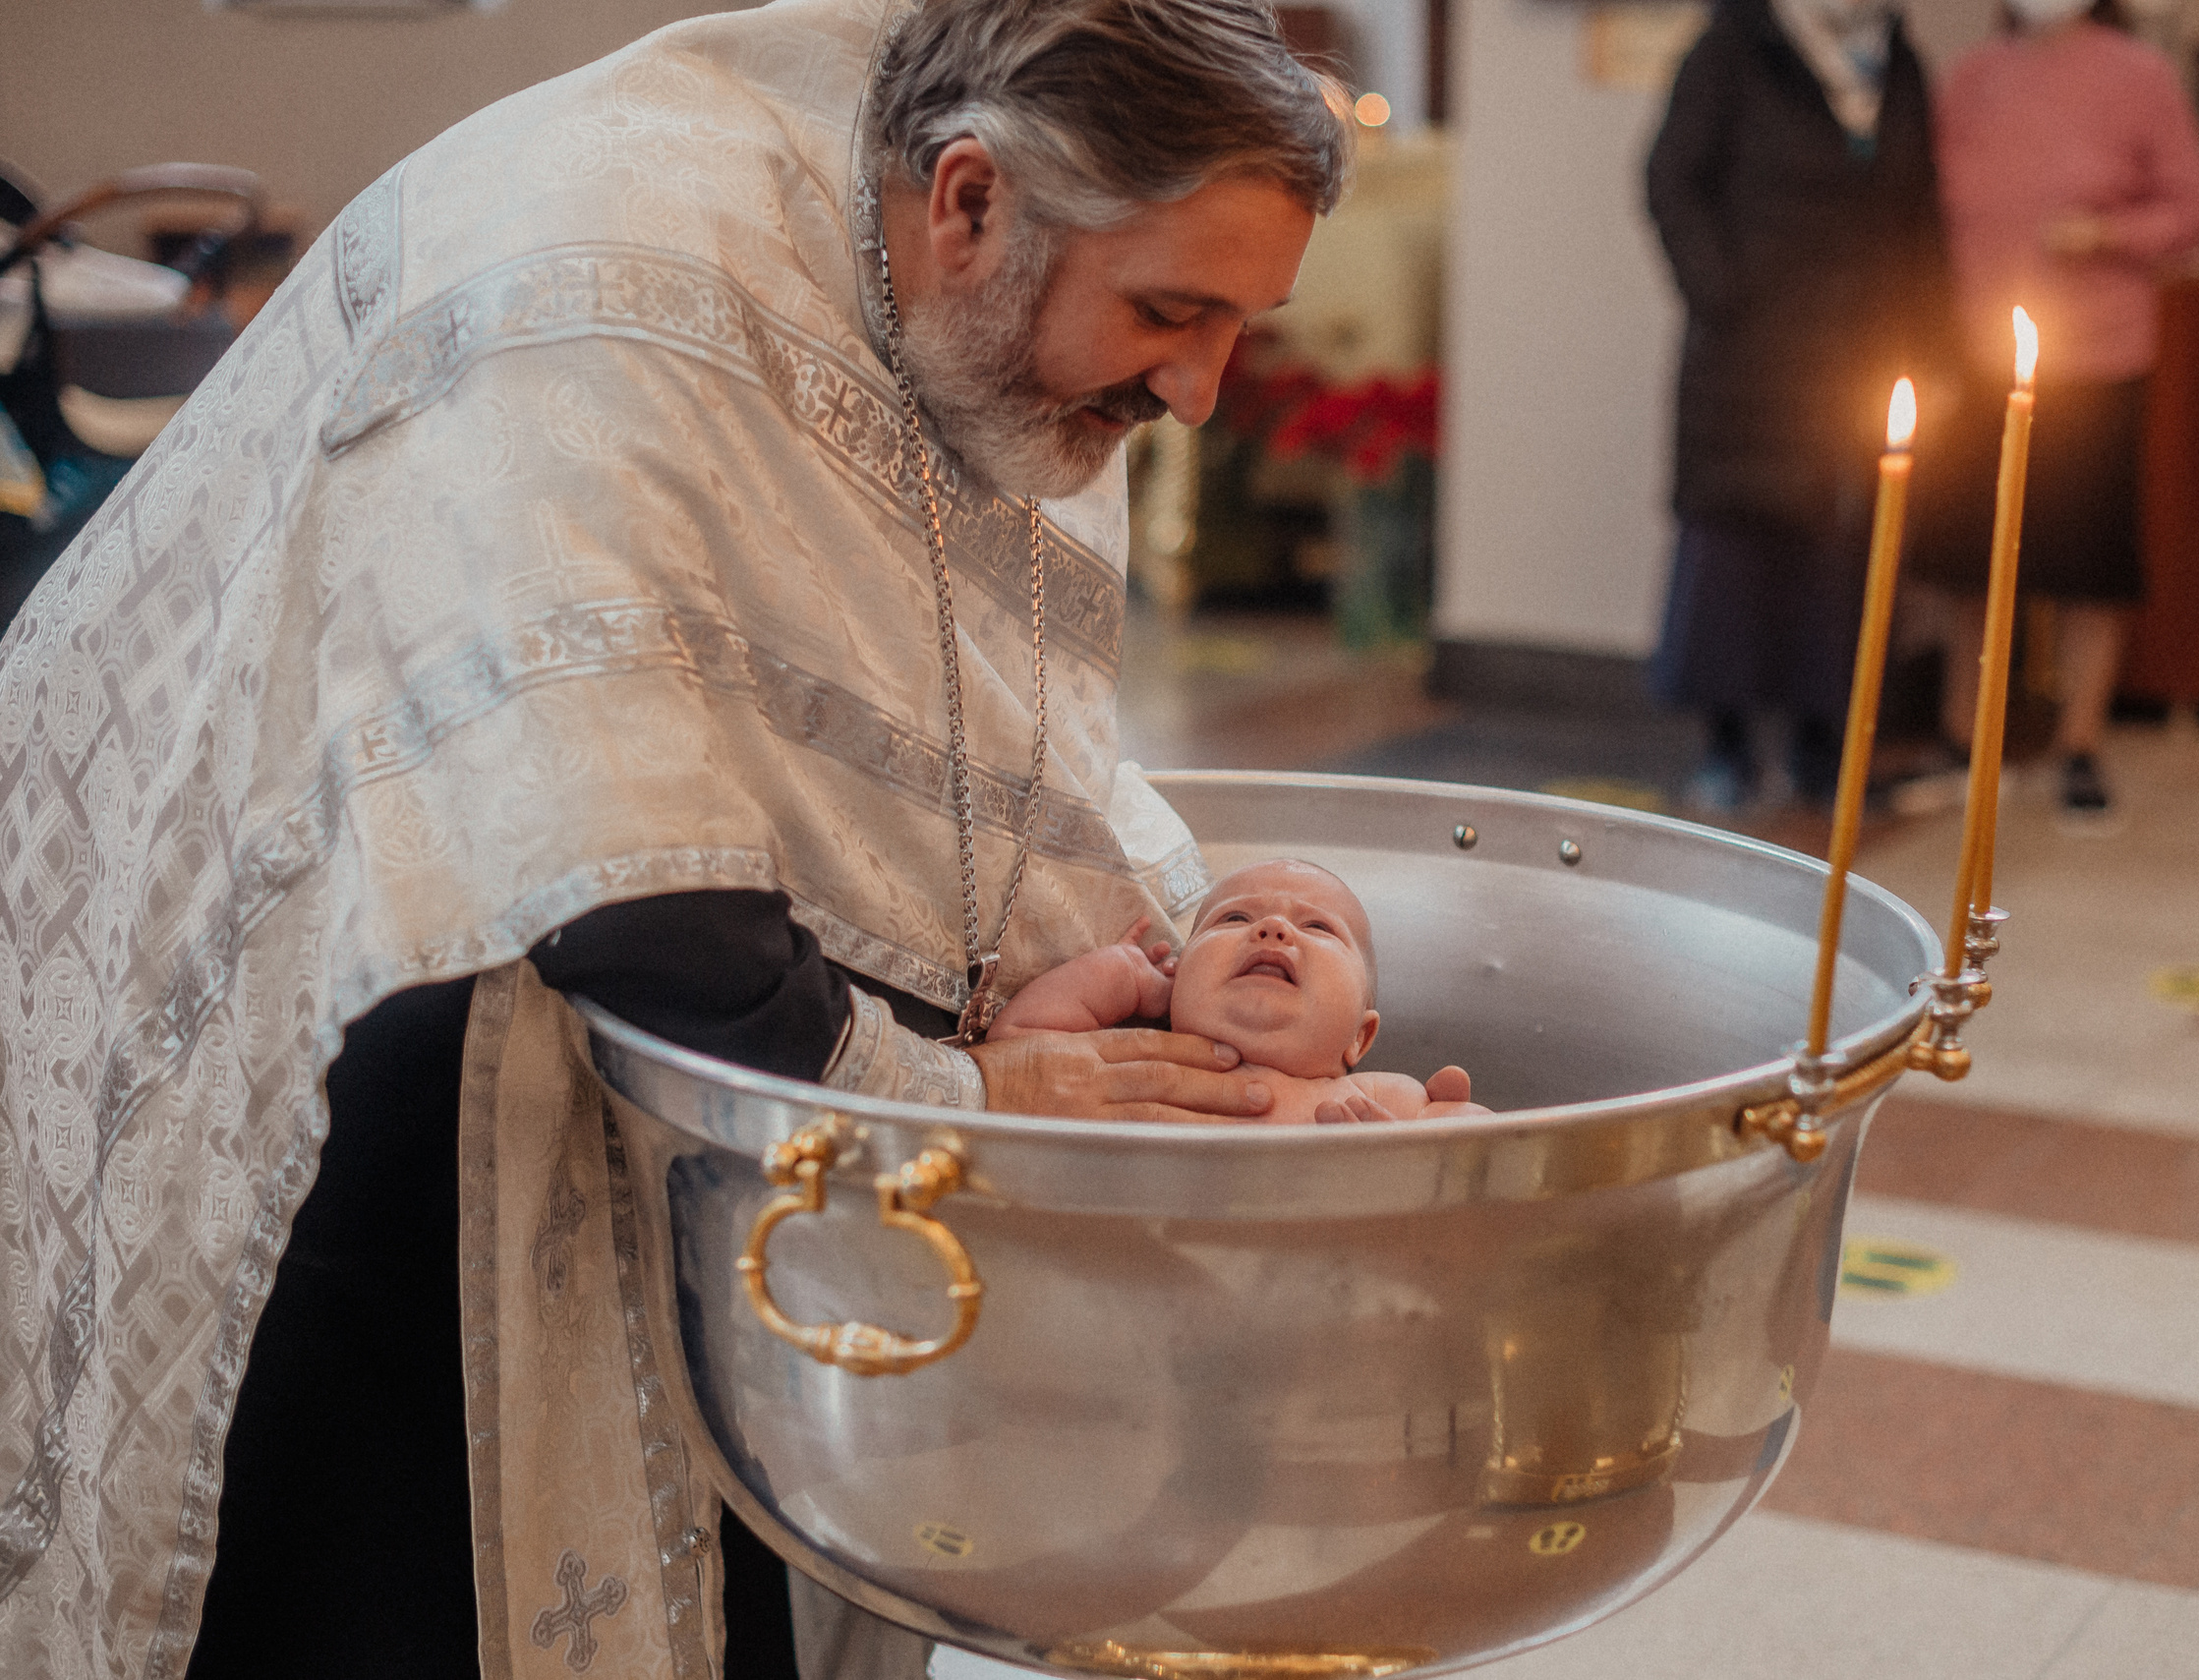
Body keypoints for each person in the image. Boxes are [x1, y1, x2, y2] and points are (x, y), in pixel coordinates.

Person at [0, 3, 1351, 1678]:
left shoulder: (964, 271)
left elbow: (974, 723)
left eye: (1239, 325)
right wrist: (965, 1091)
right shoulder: (597, 284)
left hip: (681, 1070)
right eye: (1170, 312)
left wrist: (1195, 965)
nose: (1201, 392)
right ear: (969, 201)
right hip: (378, 1028)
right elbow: (627, 874)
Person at [1904, 0, 2199, 826]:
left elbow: (2192, 212)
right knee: (1970, 552)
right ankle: (1964, 736)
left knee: (2086, 558)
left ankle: (2079, 742)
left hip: (2095, 360)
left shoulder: (2138, 75)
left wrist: (2104, 234)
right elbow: (1929, 205)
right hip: (1977, 354)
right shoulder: (1973, 77)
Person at [1644, 0, 1951, 809]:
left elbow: (1922, 215)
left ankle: (1827, 751)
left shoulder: (1899, 65)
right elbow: (1671, 179)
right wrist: (1724, 293)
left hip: (1861, 356)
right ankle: (1728, 748)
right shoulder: (1734, 48)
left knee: (1840, 560)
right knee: (1736, 557)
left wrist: (1933, 347)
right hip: (1751, 358)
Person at [990, 859, 1488, 1125]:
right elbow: (1015, 1048)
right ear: (1178, 984)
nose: (1272, 927)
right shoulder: (1133, 1066)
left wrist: (1411, 1160)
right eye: (1233, 918)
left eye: (1317, 927)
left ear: (1360, 1037)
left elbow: (1482, 1158)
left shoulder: (1379, 1099)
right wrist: (1117, 976)